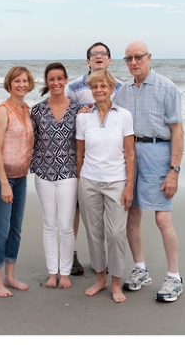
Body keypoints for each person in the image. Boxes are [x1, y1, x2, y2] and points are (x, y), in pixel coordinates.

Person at [113, 40, 185, 303]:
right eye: (129, 58)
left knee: (162, 220)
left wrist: (174, 171)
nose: (133, 62)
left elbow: (178, 131)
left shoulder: (166, 87)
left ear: (149, 57)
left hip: (158, 154)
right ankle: (140, 269)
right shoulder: (122, 92)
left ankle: (174, 276)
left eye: (138, 57)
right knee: (132, 216)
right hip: (131, 156)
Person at [75, 70, 135, 303]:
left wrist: (129, 185)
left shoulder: (124, 116)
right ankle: (100, 278)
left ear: (112, 89)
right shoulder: (83, 117)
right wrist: (81, 181)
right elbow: (80, 155)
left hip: (116, 182)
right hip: (89, 182)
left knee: (116, 233)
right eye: (95, 86)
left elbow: (130, 155)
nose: (99, 90)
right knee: (94, 232)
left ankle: (116, 282)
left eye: (103, 86)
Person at [66, 41, 123, 275]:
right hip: (81, 155)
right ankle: (70, 254)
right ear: (88, 61)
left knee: (111, 215)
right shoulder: (74, 87)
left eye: (103, 54)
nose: (99, 57)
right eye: (94, 54)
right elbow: (65, 116)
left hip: (110, 161)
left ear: (110, 60)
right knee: (77, 208)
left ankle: (109, 259)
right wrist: (76, 113)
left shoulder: (121, 87)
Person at [30, 63, 84, 289]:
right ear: (46, 82)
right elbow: (27, 140)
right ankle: (52, 274)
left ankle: (65, 274)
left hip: (69, 173)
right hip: (43, 173)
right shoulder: (37, 110)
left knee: (66, 226)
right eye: (51, 79)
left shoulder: (79, 110)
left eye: (60, 78)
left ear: (66, 80)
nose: (56, 83)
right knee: (49, 224)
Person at [0, 66, 35, 298]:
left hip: (21, 177)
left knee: (16, 228)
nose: (21, 84)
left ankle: (10, 276)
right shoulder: (3, 110)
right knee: (2, 229)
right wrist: (4, 183)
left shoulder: (26, 109)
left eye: (25, 81)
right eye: (17, 81)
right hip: (0, 178)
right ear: (9, 84)